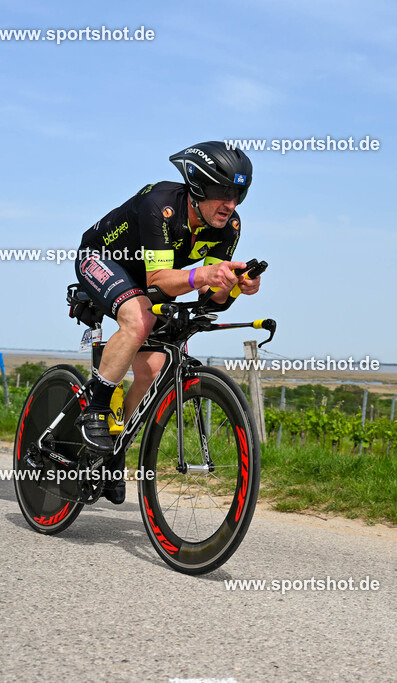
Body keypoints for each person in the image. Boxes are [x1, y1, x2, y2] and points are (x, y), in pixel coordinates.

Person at [73, 141, 261, 503]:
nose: (231, 204)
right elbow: (159, 280)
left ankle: (113, 450)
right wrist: (204, 274)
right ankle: (94, 409)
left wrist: (237, 285)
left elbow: (213, 301)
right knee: (138, 316)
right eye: (223, 193)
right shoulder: (161, 205)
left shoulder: (228, 227)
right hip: (102, 259)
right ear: (197, 187)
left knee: (154, 369)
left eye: (238, 194)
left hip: (149, 280)